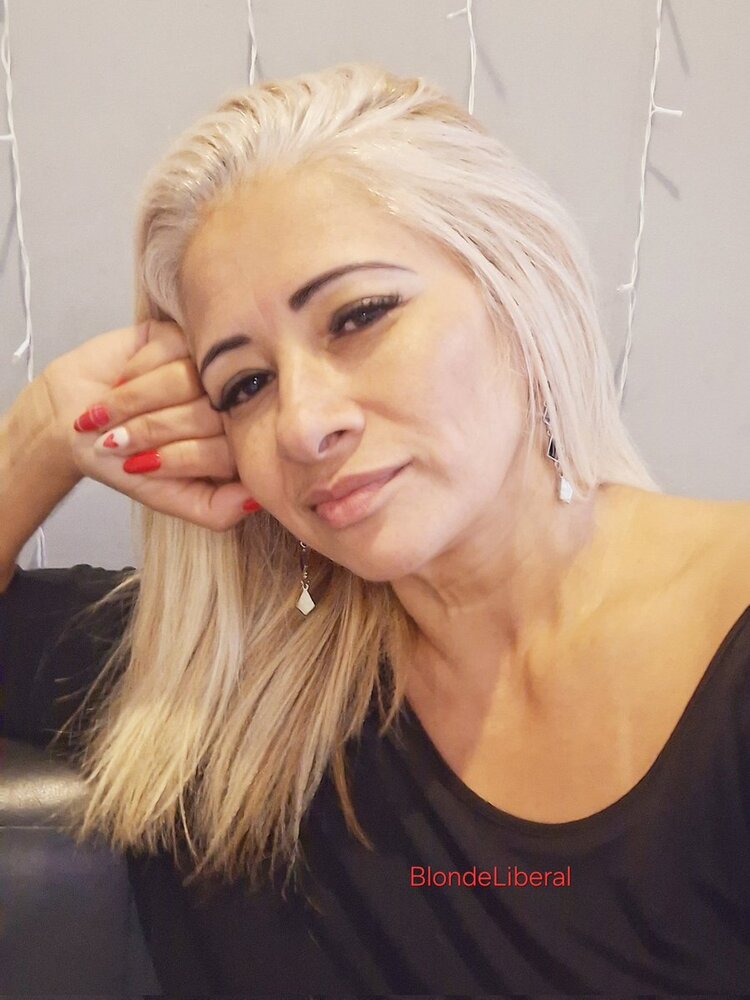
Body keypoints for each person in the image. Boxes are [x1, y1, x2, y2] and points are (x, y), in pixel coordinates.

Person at [2, 61, 749, 994]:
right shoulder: (234, 690)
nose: (303, 424)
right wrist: (43, 432)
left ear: (521, 290)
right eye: (245, 384)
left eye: (358, 316)